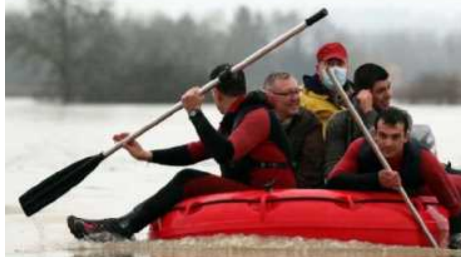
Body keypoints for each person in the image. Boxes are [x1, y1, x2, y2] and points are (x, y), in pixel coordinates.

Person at [67, 64, 296, 242]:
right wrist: (147, 154)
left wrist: (195, 112)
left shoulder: (257, 116)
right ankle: (121, 224)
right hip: (252, 193)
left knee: (188, 178)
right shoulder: (234, 121)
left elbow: (226, 154)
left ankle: (122, 227)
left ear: (215, 93)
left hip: (274, 196)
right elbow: (195, 151)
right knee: (188, 176)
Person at [326, 107, 461, 250]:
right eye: (383, 136)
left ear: (406, 137)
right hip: (381, 186)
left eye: (395, 137)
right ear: (374, 134)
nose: (388, 143)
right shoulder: (359, 147)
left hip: (419, 186)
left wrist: (456, 243)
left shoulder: (422, 158)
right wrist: (376, 179)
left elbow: (456, 207)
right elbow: (333, 181)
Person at [323, 63, 392, 174]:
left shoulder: (399, 120)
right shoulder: (339, 122)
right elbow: (332, 171)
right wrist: (369, 115)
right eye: (381, 91)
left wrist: (370, 114)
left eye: (389, 87)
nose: (389, 95)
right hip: (350, 187)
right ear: (364, 95)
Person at [264, 71, 325, 188]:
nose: (295, 98)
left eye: (297, 92)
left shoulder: (310, 122)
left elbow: (311, 173)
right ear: (269, 97)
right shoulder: (256, 119)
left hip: (296, 194)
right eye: (288, 93)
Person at [300, 42, 351, 126]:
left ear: (347, 68)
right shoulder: (303, 100)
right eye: (330, 64)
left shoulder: (356, 97)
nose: (335, 69)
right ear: (317, 69)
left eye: (340, 64)